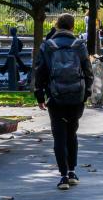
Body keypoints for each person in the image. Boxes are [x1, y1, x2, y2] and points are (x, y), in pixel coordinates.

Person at [34, 13, 90, 190]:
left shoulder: (48, 45)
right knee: (72, 134)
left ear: (57, 26)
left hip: (55, 96)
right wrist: (86, 93)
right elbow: (88, 72)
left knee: (59, 136)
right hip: (75, 97)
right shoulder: (79, 45)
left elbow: (40, 72)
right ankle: (73, 172)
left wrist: (40, 96)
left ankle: (63, 176)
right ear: (73, 27)